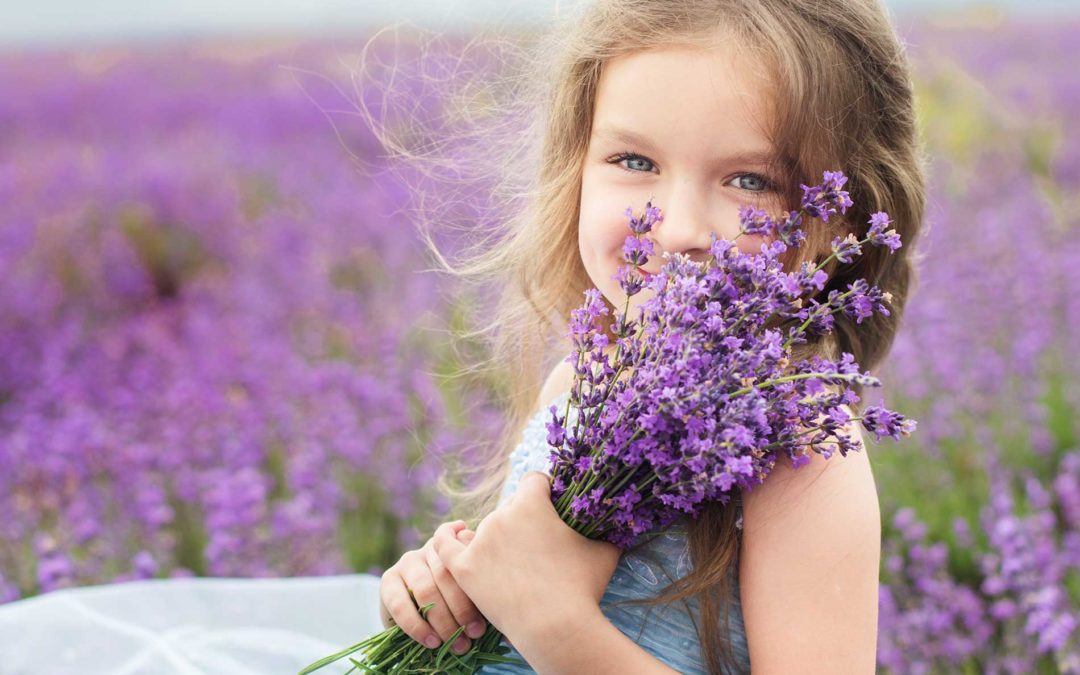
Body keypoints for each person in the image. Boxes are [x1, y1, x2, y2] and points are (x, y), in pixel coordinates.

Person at [374, 0, 926, 672]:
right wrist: (441, 594)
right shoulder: (575, 384)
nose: (677, 227)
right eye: (634, 160)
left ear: (835, 225)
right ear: (575, 164)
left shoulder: (800, 450)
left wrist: (559, 627)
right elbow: (512, 596)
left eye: (749, 180)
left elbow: (542, 608)